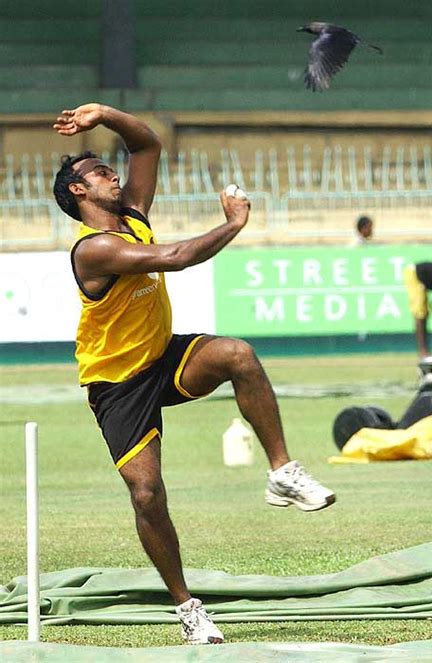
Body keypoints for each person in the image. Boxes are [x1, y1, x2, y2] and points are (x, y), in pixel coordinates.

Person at [52, 103, 336, 646]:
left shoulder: (132, 215)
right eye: (97, 173)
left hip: (162, 356)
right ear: (78, 194)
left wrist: (106, 114)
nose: (111, 173)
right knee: (146, 495)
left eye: (108, 169)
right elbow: (178, 257)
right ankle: (187, 609)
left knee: (237, 355)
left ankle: (282, 470)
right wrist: (232, 224)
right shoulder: (96, 249)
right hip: (117, 384)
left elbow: (147, 146)